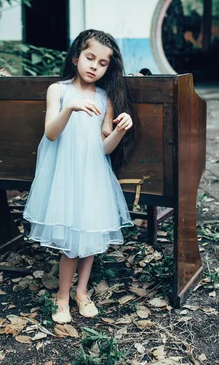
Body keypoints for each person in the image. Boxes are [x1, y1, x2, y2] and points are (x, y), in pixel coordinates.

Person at [23, 29, 136, 324]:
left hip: (93, 175)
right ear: (76, 58)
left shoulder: (105, 98)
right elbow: (50, 133)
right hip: (64, 175)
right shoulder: (58, 91)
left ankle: (81, 292)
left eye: (102, 63)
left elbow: (105, 148)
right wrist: (70, 107)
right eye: (89, 58)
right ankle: (62, 296)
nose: (94, 66)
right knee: (72, 242)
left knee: (90, 237)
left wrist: (121, 130)